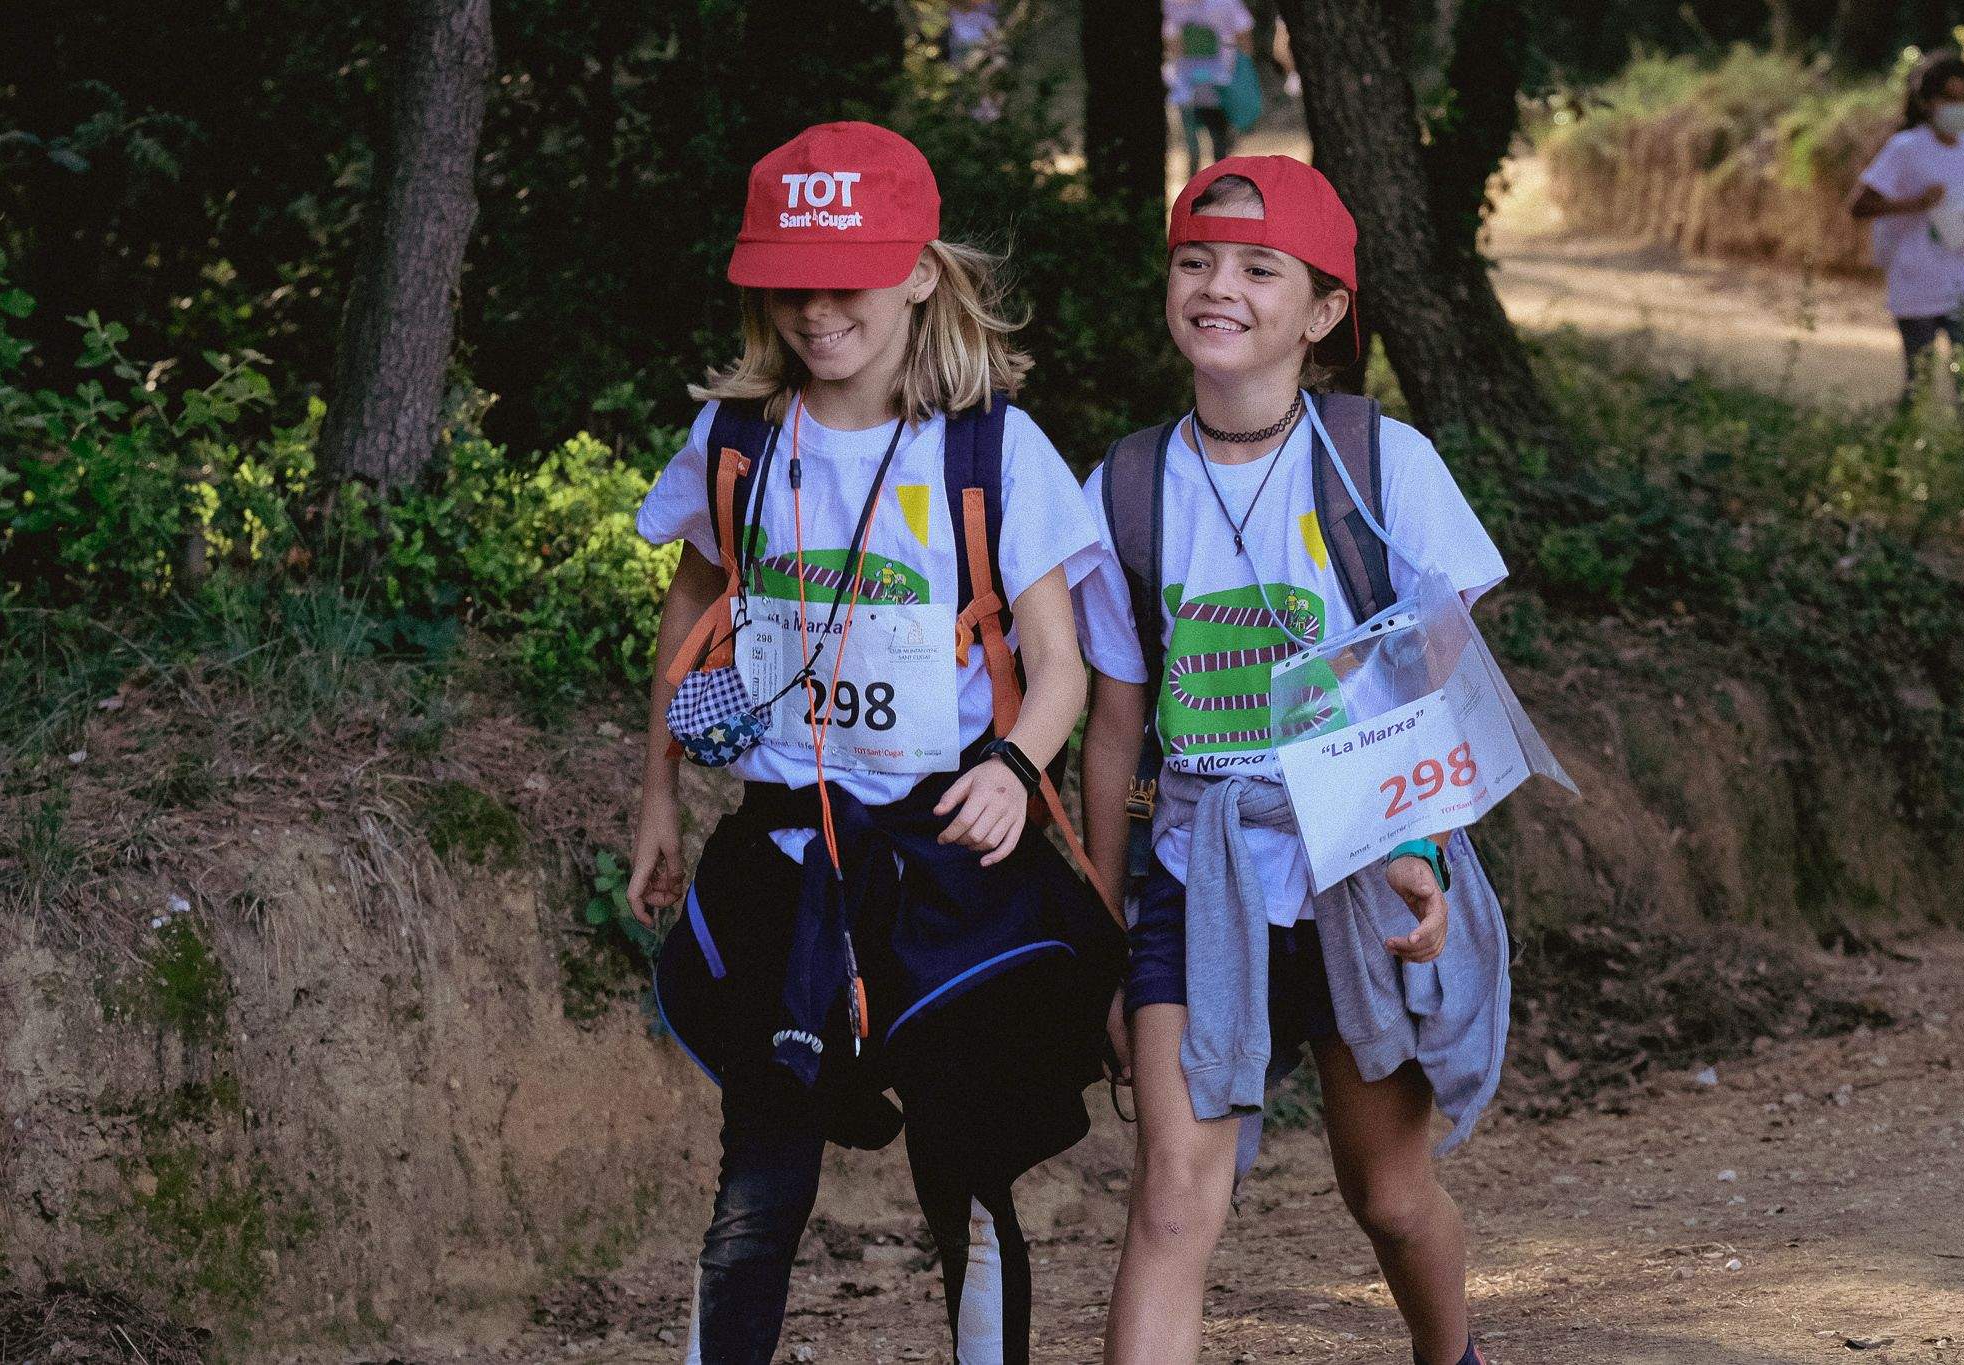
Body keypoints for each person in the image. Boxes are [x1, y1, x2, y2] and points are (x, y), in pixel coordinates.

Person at [630, 120, 1121, 1365]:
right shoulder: (737, 441)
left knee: (966, 1168)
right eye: (788, 277)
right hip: (781, 858)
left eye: (846, 273)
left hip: (945, 859)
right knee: (761, 1179)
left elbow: (1058, 663)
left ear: (917, 272)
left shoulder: (992, 448)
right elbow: (691, 615)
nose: (814, 305)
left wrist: (1016, 768)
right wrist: (655, 800)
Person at [1075, 155, 1508, 1365]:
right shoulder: (1122, 485)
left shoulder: (1384, 466)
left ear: (1320, 314)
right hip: (1193, 873)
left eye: (1260, 270)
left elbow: (1440, 684)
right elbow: (1114, 727)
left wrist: (1417, 849)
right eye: (1195, 261)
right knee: (1171, 1200)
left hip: (1361, 866)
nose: (1219, 288)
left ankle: (1450, 1357)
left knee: (1386, 1196)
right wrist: (1104, 925)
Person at [1848, 50, 1964, 398]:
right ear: (1927, 102)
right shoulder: (1905, 148)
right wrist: (1914, 204)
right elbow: (1858, 205)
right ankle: (1905, 448)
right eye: (1950, 98)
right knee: (1918, 387)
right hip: (1918, 284)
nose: (1959, 106)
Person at [1165, 0, 1254, 173]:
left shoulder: (1172, 4)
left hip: (1191, 85)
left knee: (1195, 146)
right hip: (1216, 84)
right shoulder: (1227, 3)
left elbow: (1171, 42)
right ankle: (1217, 183)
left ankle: (1194, 187)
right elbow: (1245, 38)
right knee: (1217, 145)